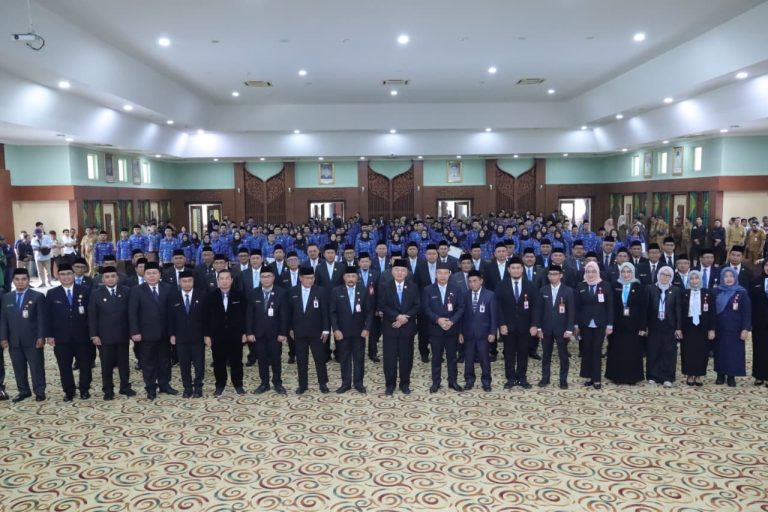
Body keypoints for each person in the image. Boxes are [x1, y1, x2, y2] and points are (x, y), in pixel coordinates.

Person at [128, 261, 176, 400]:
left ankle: (165, 385)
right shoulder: (137, 290)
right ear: (144, 275)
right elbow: (132, 313)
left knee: (165, 361)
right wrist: (134, 332)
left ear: (160, 274)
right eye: (149, 273)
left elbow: (172, 312)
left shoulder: (168, 288)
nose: (152, 276)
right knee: (148, 362)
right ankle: (150, 388)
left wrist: (173, 332)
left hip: (164, 333)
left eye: (155, 273)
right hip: (145, 334)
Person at [45, 263, 92, 401]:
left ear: (73, 275)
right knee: (64, 366)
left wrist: (93, 333)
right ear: (58, 276)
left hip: (83, 336)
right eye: (62, 274)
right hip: (61, 338)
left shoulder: (85, 290)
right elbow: (48, 316)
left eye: (68, 274)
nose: (66, 277)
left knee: (85, 364)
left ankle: (84, 389)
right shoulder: (52, 293)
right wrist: (49, 335)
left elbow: (91, 314)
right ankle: (69, 391)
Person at [88, 266, 136, 400]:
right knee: (106, 364)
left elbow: (131, 313)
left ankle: (125, 387)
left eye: (113, 276)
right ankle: (108, 389)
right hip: (104, 336)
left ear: (117, 278)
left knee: (124, 363)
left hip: (122, 334)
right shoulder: (96, 293)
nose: (110, 279)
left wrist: (132, 332)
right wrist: (94, 335)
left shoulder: (126, 291)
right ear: (103, 279)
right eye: (107, 277)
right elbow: (92, 316)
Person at [0, 268, 46, 402]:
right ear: (13, 281)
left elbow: (41, 319)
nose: (20, 282)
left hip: (33, 339)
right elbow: (3, 320)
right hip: (14, 340)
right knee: (18, 368)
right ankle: (24, 391)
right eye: (17, 279)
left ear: (28, 280)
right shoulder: (6, 297)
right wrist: (3, 337)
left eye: (24, 279)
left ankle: (39, 391)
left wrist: (41, 336)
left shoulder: (37, 296)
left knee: (36, 367)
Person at [203, 269, 248, 397]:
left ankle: (238, 385)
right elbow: (205, 318)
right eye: (221, 278)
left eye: (227, 278)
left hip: (235, 335)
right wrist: (206, 335)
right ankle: (220, 385)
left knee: (236, 362)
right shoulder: (210, 297)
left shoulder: (240, 296)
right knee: (218, 362)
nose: (224, 281)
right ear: (217, 281)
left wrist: (245, 332)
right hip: (217, 336)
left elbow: (245, 316)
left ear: (231, 280)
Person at [378, 259, 420, 396]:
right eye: (397, 270)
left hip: (407, 328)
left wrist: (405, 317)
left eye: (402, 270)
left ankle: (404, 384)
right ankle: (390, 385)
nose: (399, 273)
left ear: (407, 273)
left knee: (406, 358)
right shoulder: (384, 286)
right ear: (392, 271)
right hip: (390, 327)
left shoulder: (413, 286)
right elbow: (382, 305)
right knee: (389, 358)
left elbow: (417, 305)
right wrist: (397, 316)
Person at [421, 261, 464, 393]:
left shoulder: (456, 289)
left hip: (452, 329)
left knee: (452, 357)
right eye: (440, 273)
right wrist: (438, 319)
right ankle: (436, 382)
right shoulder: (428, 289)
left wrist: (452, 321)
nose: (443, 276)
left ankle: (453, 381)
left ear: (450, 274)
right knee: (436, 357)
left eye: (445, 273)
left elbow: (461, 307)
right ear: (435, 274)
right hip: (435, 329)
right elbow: (426, 308)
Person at [496, 256, 538, 389]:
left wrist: (534, 325)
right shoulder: (501, 285)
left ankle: (522, 378)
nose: (515, 270)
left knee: (523, 353)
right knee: (508, 353)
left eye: (518, 268)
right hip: (507, 326)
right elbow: (498, 307)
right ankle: (510, 378)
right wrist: (501, 324)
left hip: (525, 327)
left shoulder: (530, 285)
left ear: (522, 269)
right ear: (508, 269)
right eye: (513, 268)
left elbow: (535, 307)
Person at [246, 266, 289, 396]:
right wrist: (249, 332)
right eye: (263, 277)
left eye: (268, 276)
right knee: (262, 360)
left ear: (273, 278)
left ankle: (277, 383)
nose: (266, 279)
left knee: (276, 359)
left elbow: (284, 315)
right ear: (260, 278)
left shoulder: (281, 293)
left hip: (275, 334)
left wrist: (283, 333)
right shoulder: (253, 293)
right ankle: (264, 383)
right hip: (258, 334)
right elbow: (249, 315)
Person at [287, 267, 331, 394]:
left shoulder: (321, 291)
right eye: (307, 278)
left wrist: (326, 330)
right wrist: (290, 328)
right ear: (300, 278)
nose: (310, 280)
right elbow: (289, 312)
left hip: (317, 332)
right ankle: (303, 385)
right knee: (301, 360)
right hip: (299, 332)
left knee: (320, 359)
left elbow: (325, 312)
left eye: (312, 278)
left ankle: (323, 383)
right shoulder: (292, 291)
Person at [330, 265, 373, 394]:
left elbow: (369, 312)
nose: (350, 279)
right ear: (344, 277)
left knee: (359, 358)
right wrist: (336, 329)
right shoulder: (336, 291)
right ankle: (346, 383)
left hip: (359, 332)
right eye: (348, 276)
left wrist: (367, 328)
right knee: (344, 358)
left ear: (357, 277)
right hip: (342, 332)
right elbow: (332, 313)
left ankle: (359, 383)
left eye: (353, 276)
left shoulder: (363, 290)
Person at [534, 265, 575, 389]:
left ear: (561, 275)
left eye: (555, 274)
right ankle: (545, 378)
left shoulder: (568, 291)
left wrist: (569, 329)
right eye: (550, 274)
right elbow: (538, 311)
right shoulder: (543, 290)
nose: (553, 276)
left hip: (562, 329)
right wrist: (539, 328)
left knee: (563, 355)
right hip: (546, 328)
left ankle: (563, 380)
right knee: (546, 355)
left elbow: (571, 312)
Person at [605, 262, 646, 385]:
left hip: (634, 326)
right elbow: (610, 306)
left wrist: (642, 326)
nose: (626, 274)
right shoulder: (614, 285)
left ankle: (633, 378)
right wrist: (609, 324)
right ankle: (616, 377)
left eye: (628, 272)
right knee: (617, 351)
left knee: (633, 352)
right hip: (617, 325)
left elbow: (643, 308)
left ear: (633, 273)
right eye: (623, 272)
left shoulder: (639, 286)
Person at [574, 261, 613, 390]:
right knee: (586, 350)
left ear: (598, 272)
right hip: (584, 324)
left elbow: (610, 307)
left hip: (600, 323)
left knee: (596, 350)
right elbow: (576, 307)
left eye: (593, 272)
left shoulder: (605, 285)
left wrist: (610, 325)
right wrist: (576, 325)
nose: (590, 274)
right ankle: (589, 377)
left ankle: (597, 379)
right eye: (588, 272)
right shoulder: (580, 285)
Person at [168, 270, 206, 398]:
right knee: (184, 365)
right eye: (184, 281)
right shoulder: (173, 297)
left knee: (199, 364)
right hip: (181, 337)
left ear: (193, 281)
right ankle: (187, 388)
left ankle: (198, 387)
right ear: (179, 282)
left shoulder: (202, 295)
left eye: (190, 281)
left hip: (198, 337)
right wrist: (172, 334)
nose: (187, 283)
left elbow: (207, 317)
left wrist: (206, 335)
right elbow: (170, 318)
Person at [645, 266, 683, 388]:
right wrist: (644, 326)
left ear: (671, 277)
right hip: (653, 325)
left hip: (670, 325)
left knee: (669, 352)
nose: (665, 277)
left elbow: (678, 309)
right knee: (653, 350)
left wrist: (678, 327)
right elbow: (645, 309)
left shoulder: (675, 290)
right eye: (662, 274)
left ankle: (668, 377)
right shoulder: (650, 288)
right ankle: (653, 376)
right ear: (658, 275)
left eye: (668, 275)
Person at [713, 267, 752, 387]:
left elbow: (747, 312)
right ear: (722, 278)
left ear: (735, 278)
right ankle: (720, 375)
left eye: (731, 276)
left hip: (735, 329)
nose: (728, 279)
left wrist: (745, 329)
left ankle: (731, 376)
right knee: (720, 352)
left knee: (733, 353)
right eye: (726, 276)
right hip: (719, 328)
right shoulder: (716, 291)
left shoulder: (742, 292)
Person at [460, 270, 498, 392]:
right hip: (468, 333)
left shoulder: (490, 295)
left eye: (475, 281)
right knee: (468, 359)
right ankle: (469, 380)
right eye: (470, 281)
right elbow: (461, 316)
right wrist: (460, 332)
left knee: (484, 359)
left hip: (484, 334)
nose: (472, 284)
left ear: (481, 281)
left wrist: (493, 332)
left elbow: (493, 316)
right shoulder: (465, 295)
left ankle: (486, 381)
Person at [680, 270, 715, 386]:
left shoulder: (707, 293)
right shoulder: (684, 293)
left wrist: (712, 329)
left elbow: (712, 312)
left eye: (697, 278)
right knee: (688, 351)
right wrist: (679, 328)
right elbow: (680, 312)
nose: (694, 281)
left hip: (703, 327)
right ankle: (689, 375)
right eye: (692, 278)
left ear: (701, 279)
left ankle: (698, 375)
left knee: (702, 352)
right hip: (688, 327)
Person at [748, 260, 768, 387]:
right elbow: (750, 302)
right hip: (759, 322)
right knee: (759, 349)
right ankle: (759, 376)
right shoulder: (755, 281)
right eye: (766, 265)